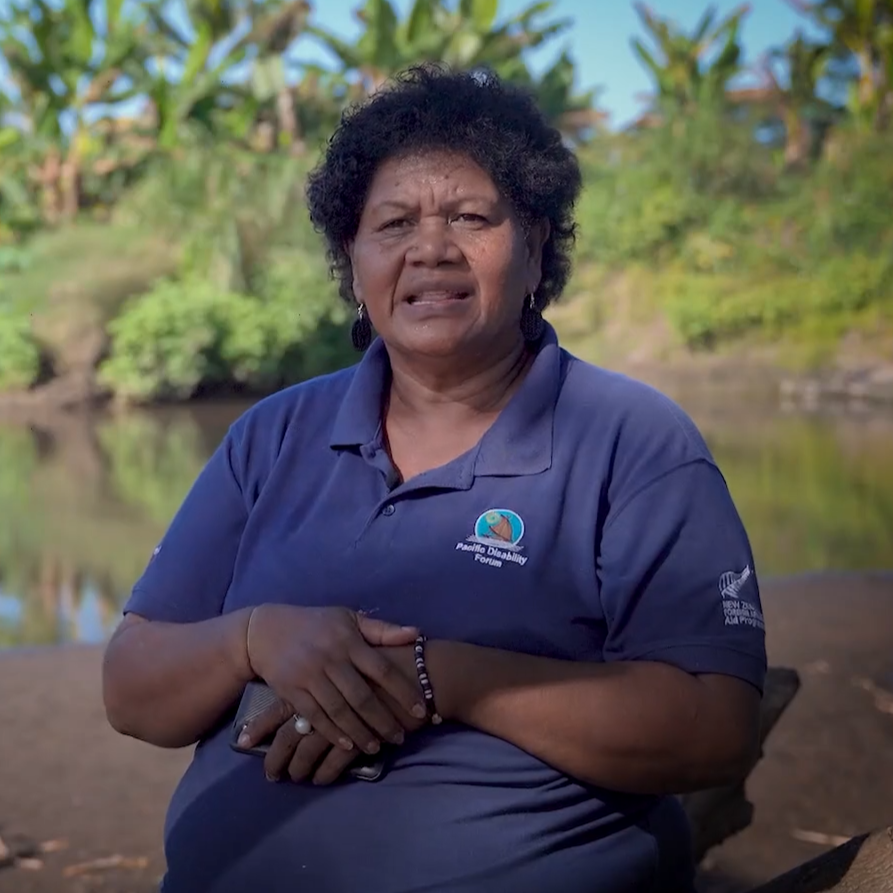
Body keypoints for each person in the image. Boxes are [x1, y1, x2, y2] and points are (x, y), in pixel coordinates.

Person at [102, 65, 767, 893]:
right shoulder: (270, 437)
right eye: (393, 222)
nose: (430, 248)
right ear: (353, 259)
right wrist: (254, 638)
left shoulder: (631, 440)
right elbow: (131, 688)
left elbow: (714, 727)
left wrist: (438, 678)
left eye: (469, 216)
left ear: (534, 246)